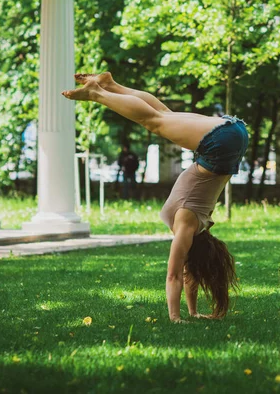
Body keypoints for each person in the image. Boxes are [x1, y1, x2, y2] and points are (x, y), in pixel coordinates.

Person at [63, 73, 249, 323]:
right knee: (155, 121)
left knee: (164, 113)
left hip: (233, 134)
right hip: (220, 147)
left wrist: (193, 313)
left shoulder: (202, 225)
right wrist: (175, 317)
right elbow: (174, 276)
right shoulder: (187, 226)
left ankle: (112, 86)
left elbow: (188, 275)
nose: (186, 269)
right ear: (194, 253)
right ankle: (98, 92)